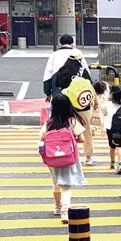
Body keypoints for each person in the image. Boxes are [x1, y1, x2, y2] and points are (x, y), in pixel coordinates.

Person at [39, 93, 87, 223]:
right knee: (66, 186)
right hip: (68, 158)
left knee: (56, 183)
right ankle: (65, 212)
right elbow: (82, 139)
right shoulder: (72, 121)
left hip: (52, 158)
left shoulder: (49, 122)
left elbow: (42, 137)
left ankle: (57, 207)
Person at [61, 68, 96, 166]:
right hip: (85, 109)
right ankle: (88, 157)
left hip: (71, 109)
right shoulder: (83, 71)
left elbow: (59, 87)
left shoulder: (64, 71)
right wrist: (96, 103)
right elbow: (91, 88)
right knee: (87, 132)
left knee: (70, 132)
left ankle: (70, 154)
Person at [41, 35, 90, 101]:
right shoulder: (77, 53)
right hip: (77, 91)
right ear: (72, 43)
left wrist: (48, 93)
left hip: (58, 90)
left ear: (60, 43)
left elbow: (48, 75)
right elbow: (86, 71)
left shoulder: (54, 55)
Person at [96, 81, 121, 173]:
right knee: (119, 147)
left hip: (110, 128)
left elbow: (102, 112)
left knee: (112, 147)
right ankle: (120, 164)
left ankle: (112, 163)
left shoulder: (107, 105)